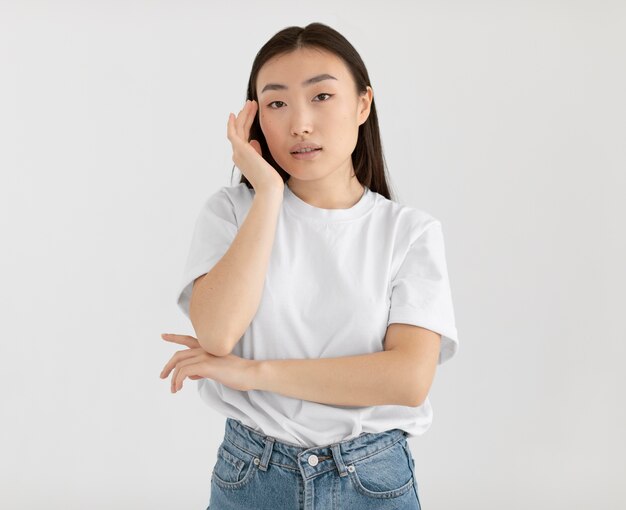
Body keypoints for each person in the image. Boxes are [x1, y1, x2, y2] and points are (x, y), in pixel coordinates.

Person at [159, 21, 459, 510]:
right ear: (255, 119)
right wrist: (270, 194)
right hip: (251, 475)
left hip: (373, 479)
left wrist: (253, 372)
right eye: (276, 103)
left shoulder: (409, 232)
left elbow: (406, 379)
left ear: (363, 103)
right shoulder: (232, 211)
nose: (300, 122)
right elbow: (216, 334)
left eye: (321, 96)